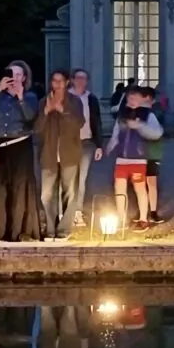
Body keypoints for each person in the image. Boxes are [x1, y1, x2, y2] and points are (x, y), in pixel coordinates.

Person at [0, 60, 41, 242]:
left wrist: (20, 98)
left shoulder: (30, 97)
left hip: (19, 145)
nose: (15, 78)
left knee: (19, 189)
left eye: (19, 75)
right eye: (12, 74)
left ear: (24, 78)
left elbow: (30, 116)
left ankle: (17, 231)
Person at [35, 69, 84, 241]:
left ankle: (64, 229)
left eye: (60, 81)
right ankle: (50, 228)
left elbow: (78, 124)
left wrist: (62, 110)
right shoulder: (42, 102)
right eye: (54, 81)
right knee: (46, 194)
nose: (57, 84)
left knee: (69, 192)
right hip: (48, 154)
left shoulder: (75, 101)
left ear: (66, 83)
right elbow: (37, 129)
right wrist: (47, 111)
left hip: (69, 153)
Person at [104, 86, 162, 231]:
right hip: (121, 158)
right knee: (119, 188)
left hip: (138, 157)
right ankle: (121, 218)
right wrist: (111, 144)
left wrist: (139, 126)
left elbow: (157, 133)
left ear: (141, 99)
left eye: (135, 98)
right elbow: (116, 133)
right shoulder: (122, 116)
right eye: (130, 98)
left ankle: (143, 219)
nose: (132, 100)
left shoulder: (148, 115)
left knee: (140, 188)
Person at [69, 68, 104, 228]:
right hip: (68, 143)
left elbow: (96, 121)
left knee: (81, 179)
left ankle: (77, 212)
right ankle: (66, 211)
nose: (81, 81)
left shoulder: (92, 99)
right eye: (78, 78)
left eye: (84, 78)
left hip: (86, 142)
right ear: (72, 80)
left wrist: (99, 145)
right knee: (68, 178)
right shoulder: (66, 97)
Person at [138, 85, 166, 223]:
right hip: (147, 152)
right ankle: (148, 211)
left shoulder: (153, 113)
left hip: (151, 152)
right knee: (146, 183)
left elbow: (157, 133)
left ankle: (152, 211)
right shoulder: (151, 111)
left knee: (150, 182)